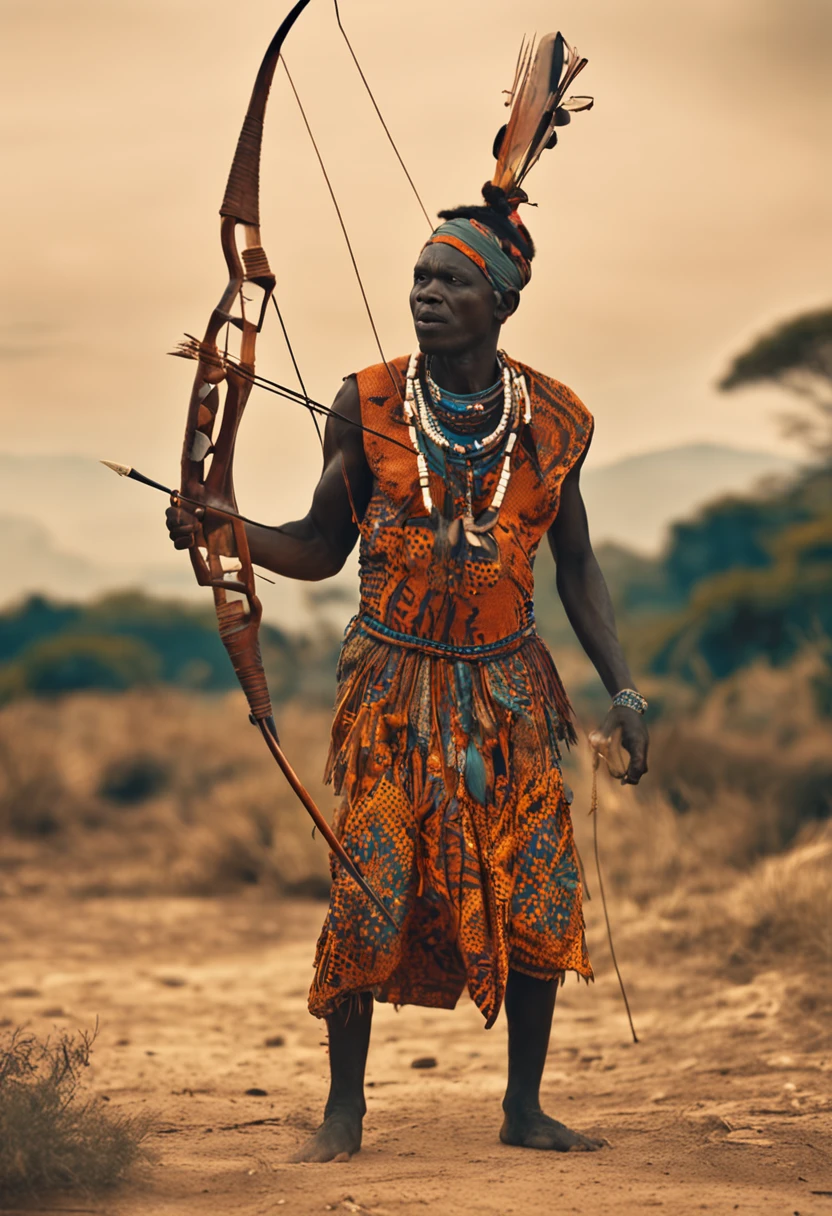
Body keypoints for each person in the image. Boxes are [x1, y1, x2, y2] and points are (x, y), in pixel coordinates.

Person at [166, 47, 648, 1160]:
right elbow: (318, 547)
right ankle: (344, 1110)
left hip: (513, 690)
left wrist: (620, 686)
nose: (427, 297)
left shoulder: (553, 422)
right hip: (392, 688)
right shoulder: (366, 401)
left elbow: (575, 566)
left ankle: (522, 1106)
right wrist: (221, 528)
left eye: (451, 284)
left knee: (536, 882)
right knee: (369, 883)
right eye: (420, 280)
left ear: (501, 300)